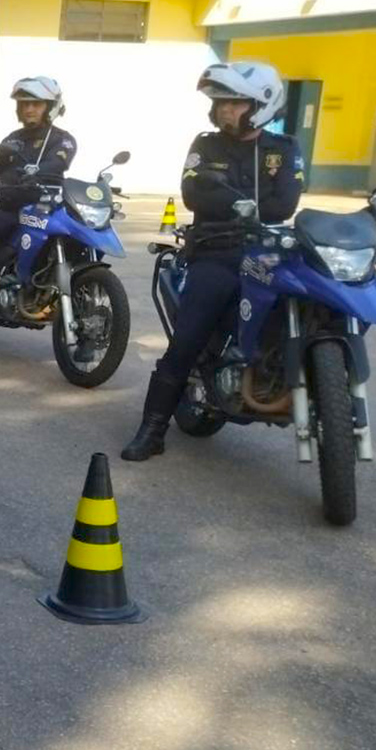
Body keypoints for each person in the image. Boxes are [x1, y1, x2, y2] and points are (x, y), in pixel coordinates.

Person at [121, 61, 303, 461]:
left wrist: (242, 205)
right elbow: (193, 195)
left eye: (234, 102)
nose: (224, 109)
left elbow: (284, 204)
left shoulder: (283, 149)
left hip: (266, 254)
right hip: (216, 251)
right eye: (221, 102)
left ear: (261, 104)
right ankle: (152, 430)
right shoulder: (205, 145)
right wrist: (241, 204)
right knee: (186, 339)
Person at [0, 77, 76, 318]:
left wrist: (37, 170)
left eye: (36, 104)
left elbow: (59, 162)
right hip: (9, 208)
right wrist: (2, 156)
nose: (29, 109)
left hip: (45, 208)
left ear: (50, 107)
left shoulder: (61, 139)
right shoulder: (13, 139)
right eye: (24, 104)